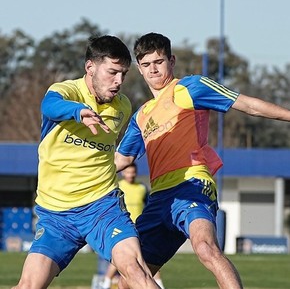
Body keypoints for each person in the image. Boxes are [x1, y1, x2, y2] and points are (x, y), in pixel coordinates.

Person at [115, 32, 290, 289]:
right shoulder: (141, 115)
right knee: (130, 279)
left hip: (192, 185)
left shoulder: (190, 87)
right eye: (146, 64)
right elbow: (122, 158)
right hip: (159, 199)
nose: (153, 69)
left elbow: (247, 104)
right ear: (139, 69)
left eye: (159, 61)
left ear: (171, 61)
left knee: (205, 248)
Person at [12, 35, 161, 289]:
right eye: (112, 72)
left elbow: (120, 154)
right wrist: (78, 112)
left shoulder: (122, 107)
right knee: (29, 285)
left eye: (123, 74)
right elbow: (49, 105)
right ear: (90, 67)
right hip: (56, 215)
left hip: (103, 208)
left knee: (135, 271)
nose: (118, 82)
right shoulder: (67, 91)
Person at [101, 163, 165, 289]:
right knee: (123, 256)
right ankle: (105, 283)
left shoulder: (142, 188)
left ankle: (159, 284)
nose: (131, 175)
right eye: (128, 172)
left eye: (133, 172)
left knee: (148, 256)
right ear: (123, 173)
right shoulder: (117, 186)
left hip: (140, 227)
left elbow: (149, 206)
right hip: (123, 228)